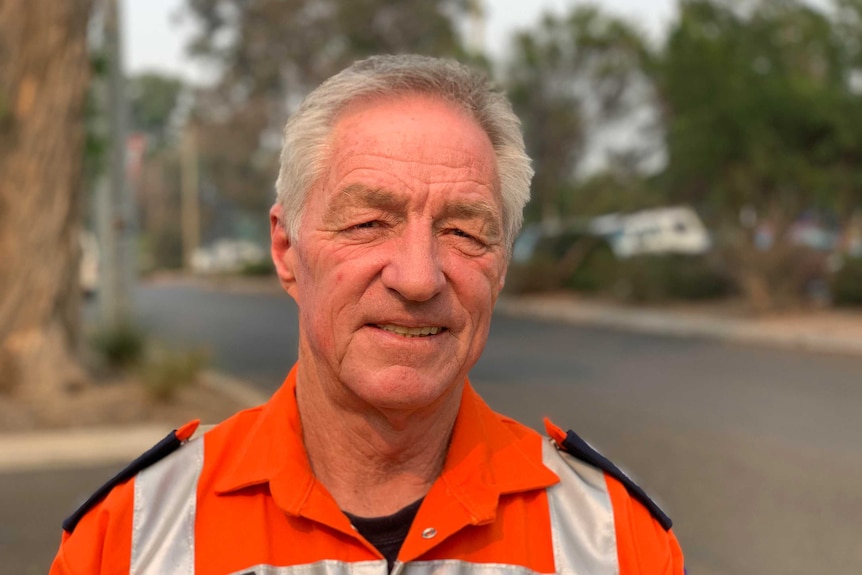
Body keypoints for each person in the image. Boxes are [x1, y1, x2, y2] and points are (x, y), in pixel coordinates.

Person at [50, 54, 685, 574]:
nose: (417, 277)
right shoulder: (129, 539)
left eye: (465, 231)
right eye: (367, 223)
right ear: (286, 250)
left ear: (502, 264)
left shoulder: (613, 539)